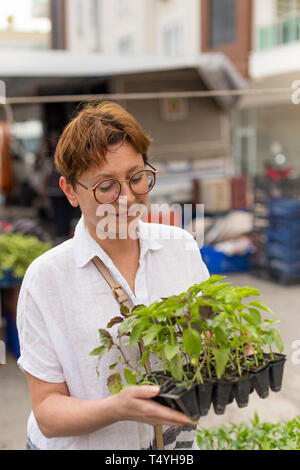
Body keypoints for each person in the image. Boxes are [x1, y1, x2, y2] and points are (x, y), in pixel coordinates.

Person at [16, 101, 210, 451]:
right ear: (70, 191)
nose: (127, 198)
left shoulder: (180, 247)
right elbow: (46, 410)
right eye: (106, 187)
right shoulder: (47, 278)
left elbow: (203, 340)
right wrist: (115, 408)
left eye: (136, 178)